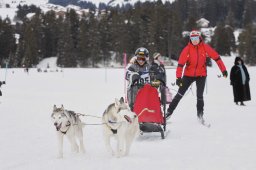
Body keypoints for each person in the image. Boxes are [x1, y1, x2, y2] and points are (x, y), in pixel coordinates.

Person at [166, 30, 228, 121]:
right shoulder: (187, 49)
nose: (194, 40)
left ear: (200, 38)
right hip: (188, 75)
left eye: (196, 38)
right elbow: (180, 64)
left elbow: (217, 57)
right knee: (179, 94)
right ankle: (169, 112)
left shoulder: (205, 47)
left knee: (199, 96)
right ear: (190, 39)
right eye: (192, 38)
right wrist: (178, 77)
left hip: (201, 75)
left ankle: (200, 114)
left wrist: (223, 70)